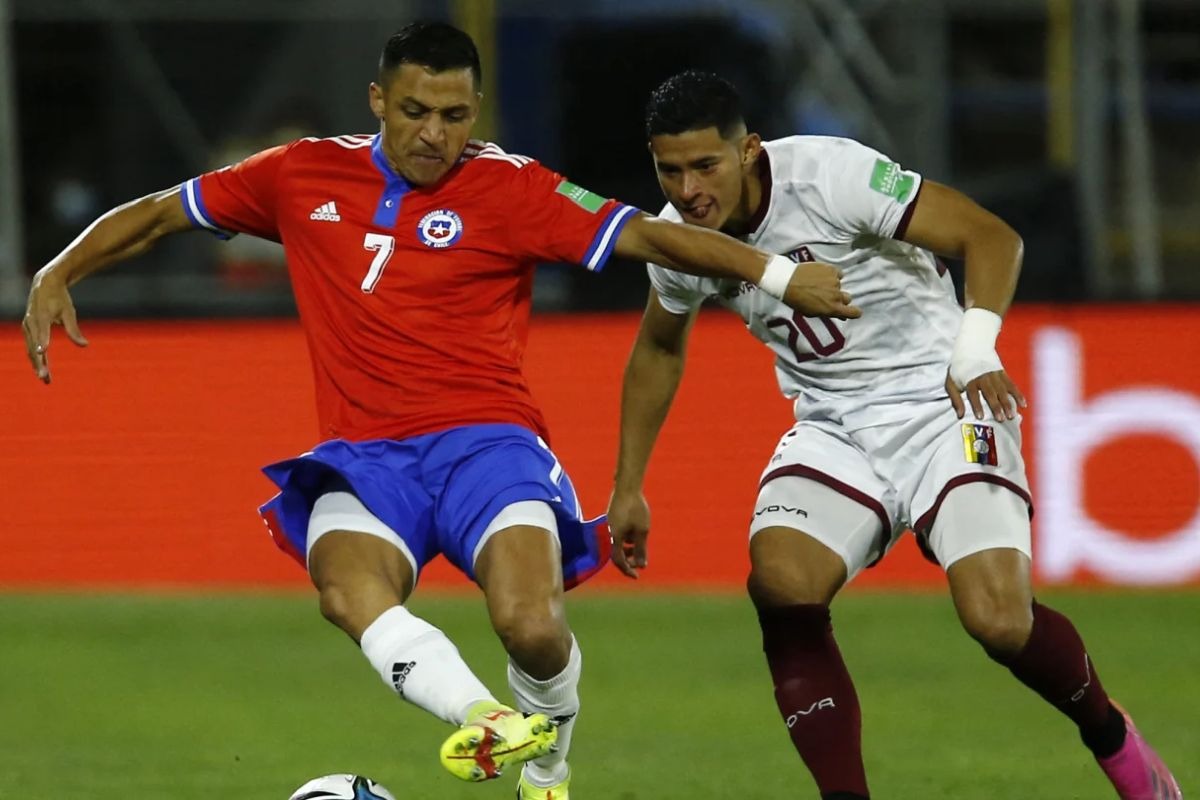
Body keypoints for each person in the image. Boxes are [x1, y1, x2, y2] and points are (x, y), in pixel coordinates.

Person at [20, 25, 857, 800]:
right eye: (416, 111)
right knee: (347, 591)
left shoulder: (513, 188)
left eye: (455, 115)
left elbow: (649, 236)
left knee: (529, 625)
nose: (435, 133)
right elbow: (166, 209)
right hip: (369, 455)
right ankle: (482, 717)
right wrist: (59, 270)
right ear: (379, 102)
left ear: (476, 111)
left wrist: (774, 275)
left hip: (488, 445)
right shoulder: (301, 173)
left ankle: (551, 766)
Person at [606, 70, 1181, 800]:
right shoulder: (680, 240)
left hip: (943, 401)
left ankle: (1113, 737)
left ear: (748, 151)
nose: (689, 190)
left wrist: (975, 349)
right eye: (671, 169)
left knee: (999, 620)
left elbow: (989, 234)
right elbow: (658, 346)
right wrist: (628, 484)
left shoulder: (832, 175)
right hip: (834, 426)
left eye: (705, 165)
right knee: (781, 582)